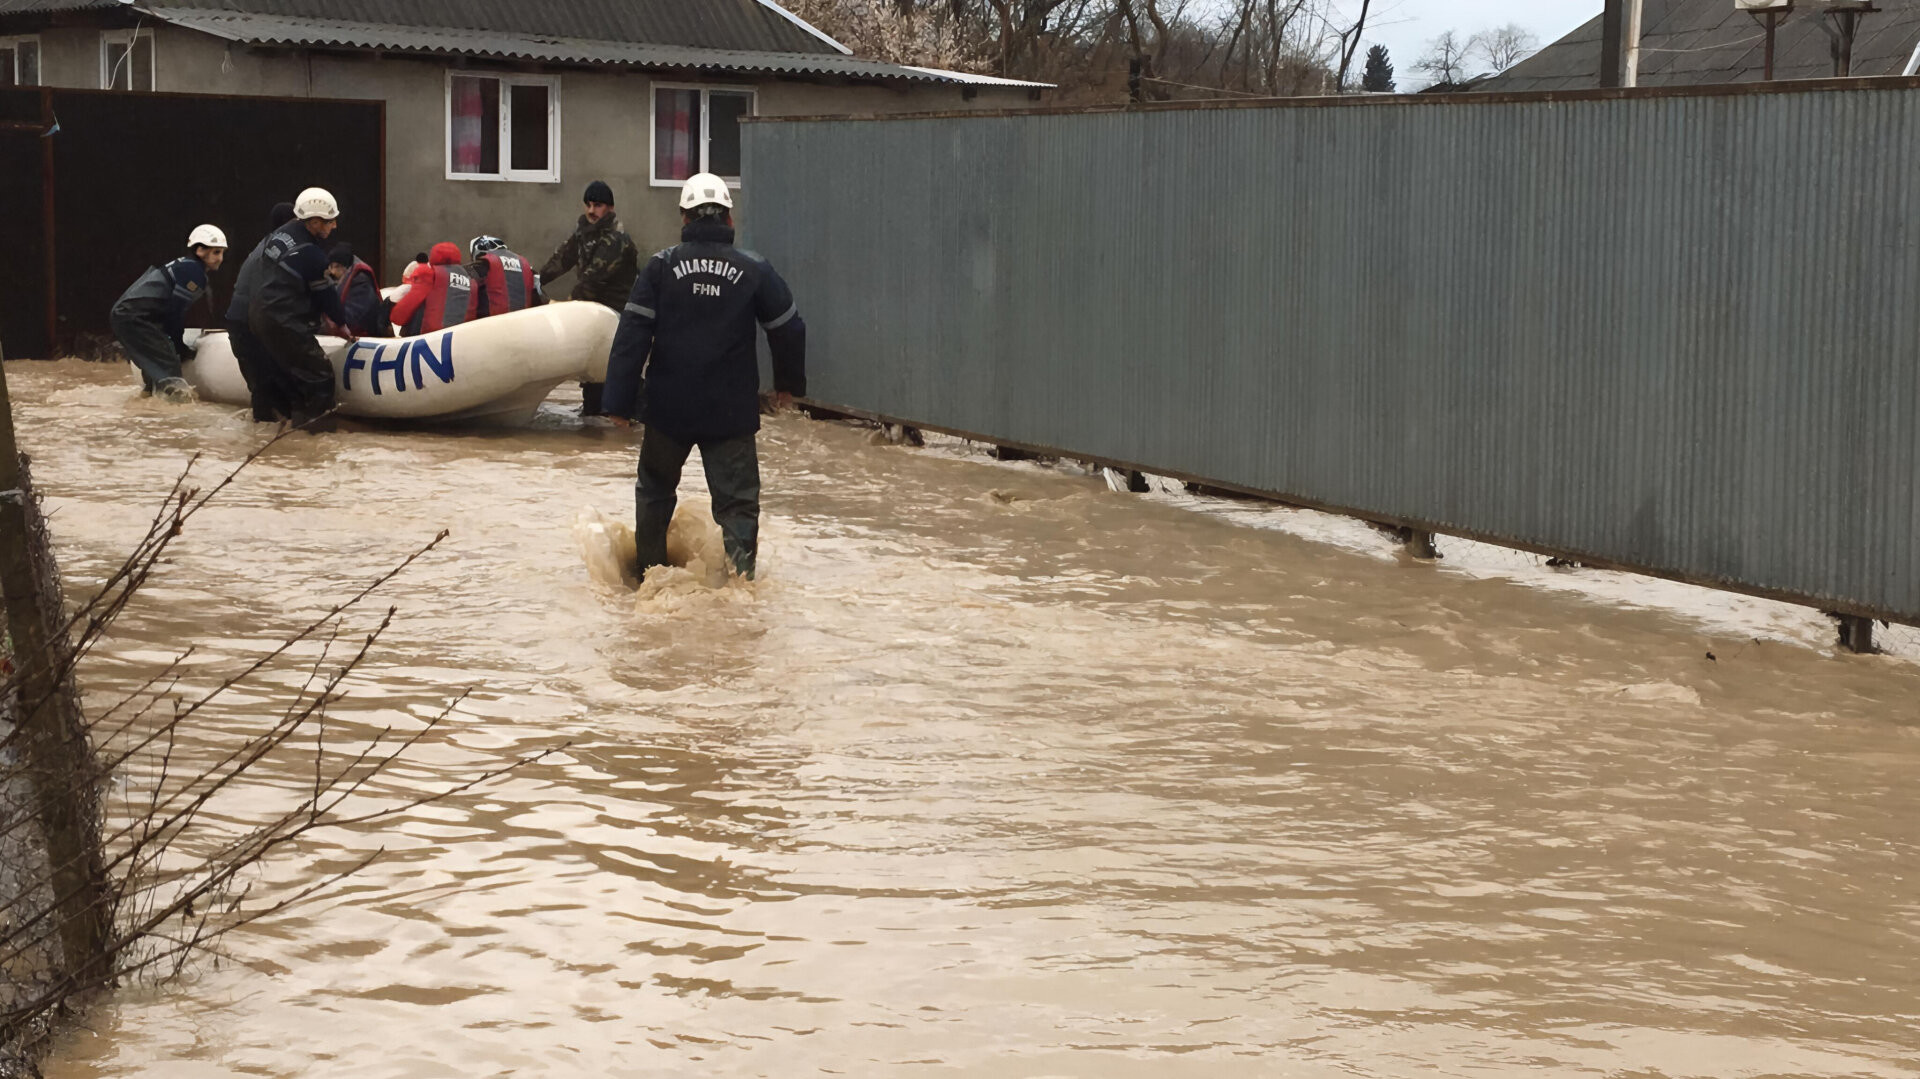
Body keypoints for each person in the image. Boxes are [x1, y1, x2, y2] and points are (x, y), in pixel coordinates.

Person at [603, 172, 806, 582]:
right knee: (738, 506)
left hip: (667, 409)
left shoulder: (661, 266)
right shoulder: (753, 268)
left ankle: (650, 580)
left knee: (655, 493)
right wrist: (788, 386)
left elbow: (632, 334)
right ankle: (741, 587)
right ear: (729, 219)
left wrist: (618, 403)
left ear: (684, 216)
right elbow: (789, 328)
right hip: (730, 412)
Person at [248, 187, 348, 431]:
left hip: (260, 315)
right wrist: (342, 324)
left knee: (290, 376)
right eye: (330, 221)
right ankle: (317, 437)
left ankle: (288, 432)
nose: (334, 226)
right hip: (284, 321)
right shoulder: (310, 254)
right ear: (314, 222)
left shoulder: (280, 235)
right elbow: (327, 297)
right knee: (320, 376)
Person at [540, 180, 639, 414]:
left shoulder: (617, 239)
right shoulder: (583, 233)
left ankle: (626, 417)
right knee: (593, 385)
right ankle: (594, 419)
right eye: (588, 205)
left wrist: (563, 309)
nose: (591, 211)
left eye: (598, 205)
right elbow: (561, 260)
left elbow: (592, 280)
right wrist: (535, 280)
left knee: (615, 379)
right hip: (593, 318)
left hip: (617, 318)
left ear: (610, 208)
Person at [111, 225, 227, 400]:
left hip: (128, 315)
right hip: (135, 317)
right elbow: (174, 314)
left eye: (222, 253)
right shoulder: (194, 272)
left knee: (155, 372)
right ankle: (177, 406)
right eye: (216, 252)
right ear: (200, 250)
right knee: (169, 367)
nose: (220, 258)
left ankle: (149, 408)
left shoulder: (184, 265)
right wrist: (179, 346)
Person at [226, 201, 298, 420]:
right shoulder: (282, 249)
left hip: (242, 322)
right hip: (252, 323)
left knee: (262, 386)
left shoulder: (265, 246)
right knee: (267, 386)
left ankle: (264, 434)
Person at [389, 242, 476, 336]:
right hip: (461, 335)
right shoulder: (470, 279)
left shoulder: (429, 273)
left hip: (428, 336)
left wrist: (396, 318)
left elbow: (410, 302)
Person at [467, 235, 544, 319]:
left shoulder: (483, 265)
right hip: (526, 320)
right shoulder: (527, 267)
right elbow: (542, 299)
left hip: (492, 321)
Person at [326, 243, 384, 337]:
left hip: (364, 336)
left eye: (335, 266)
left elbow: (353, 316)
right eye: (330, 267)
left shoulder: (360, 281)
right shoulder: (348, 279)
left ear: (344, 266)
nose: (332, 271)